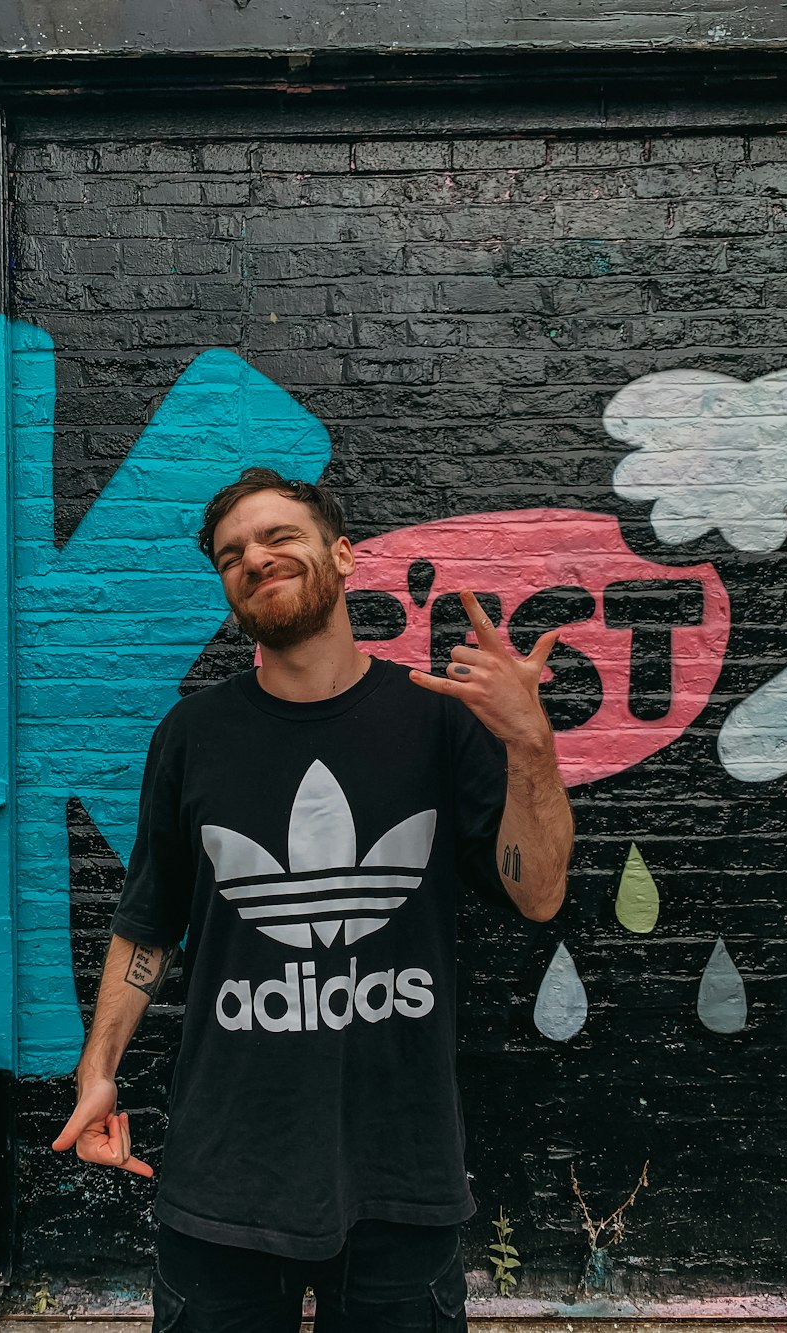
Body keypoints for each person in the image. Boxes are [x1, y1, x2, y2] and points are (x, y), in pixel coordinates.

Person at [53, 468, 573, 1332]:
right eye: (231, 555)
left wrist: (529, 747)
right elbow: (149, 921)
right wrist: (99, 1067)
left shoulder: (438, 720)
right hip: (225, 1171)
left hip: (399, 1169)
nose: (255, 558)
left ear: (340, 554)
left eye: (277, 536)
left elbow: (540, 894)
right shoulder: (193, 735)